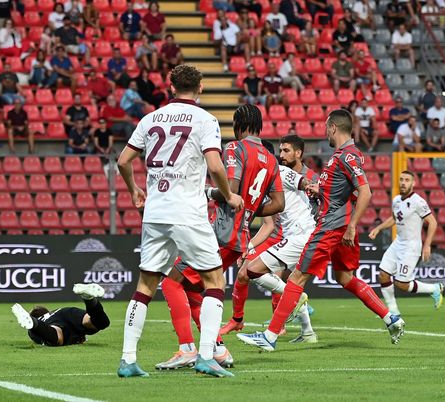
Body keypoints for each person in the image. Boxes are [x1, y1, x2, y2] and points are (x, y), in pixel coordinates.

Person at [237, 109, 405, 352]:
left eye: (327, 128)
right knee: (344, 278)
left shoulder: (347, 156)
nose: (325, 132)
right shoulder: (342, 156)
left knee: (297, 277)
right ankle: (391, 319)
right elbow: (348, 192)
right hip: (340, 225)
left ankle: (270, 336)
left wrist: (351, 225)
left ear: (334, 128)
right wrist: (320, 191)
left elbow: (365, 192)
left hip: (332, 227)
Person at [116, 64, 243, 379]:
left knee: (145, 285)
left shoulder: (150, 119)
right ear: (200, 87)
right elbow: (214, 165)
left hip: (156, 212)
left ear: (170, 87)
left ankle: (128, 360)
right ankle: (205, 355)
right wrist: (228, 195)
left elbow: (123, 160)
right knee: (215, 281)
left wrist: (134, 190)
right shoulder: (205, 120)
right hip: (187, 211)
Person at [157, 103, 284, 369]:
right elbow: (278, 203)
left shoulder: (235, 149)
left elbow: (231, 190)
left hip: (221, 233)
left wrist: (205, 191)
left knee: (171, 282)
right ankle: (217, 349)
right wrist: (250, 208)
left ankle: (187, 349)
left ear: (239, 125)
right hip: (240, 237)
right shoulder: (271, 158)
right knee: (193, 288)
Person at [220, 135, 318, 343]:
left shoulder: (281, 172)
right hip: (297, 235)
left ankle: (275, 327)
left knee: (252, 271)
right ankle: (307, 332)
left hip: (300, 234)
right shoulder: (264, 181)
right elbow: (268, 222)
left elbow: (302, 181)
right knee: (291, 280)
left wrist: (312, 186)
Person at [369, 171, 442, 314]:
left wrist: (427, 245)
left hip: (411, 246)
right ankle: (393, 312)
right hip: (398, 243)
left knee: (401, 284)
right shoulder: (396, 200)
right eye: (401, 179)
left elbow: (432, 222)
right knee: (383, 275)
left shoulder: (418, 202)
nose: (403, 182)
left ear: (413, 183)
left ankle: (434, 288)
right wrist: (378, 228)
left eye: (407, 180)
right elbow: (395, 219)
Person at [11, 284, 110, 346]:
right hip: (66, 312)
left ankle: (33, 323)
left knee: (58, 337)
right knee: (98, 323)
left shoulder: (42, 322)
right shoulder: (55, 312)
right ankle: (89, 299)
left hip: (47, 325)